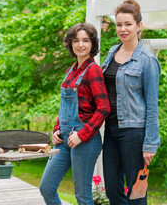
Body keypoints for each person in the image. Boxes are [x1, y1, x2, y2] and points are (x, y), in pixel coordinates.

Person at [39, 23, 110, 205]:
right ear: (70, 44)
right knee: (46, 188)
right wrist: (56, 129)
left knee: (82, 196)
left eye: (85, 40)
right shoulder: (70, 71)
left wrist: (82, 135)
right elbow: (65, 105)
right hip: (63, 138)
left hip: (84, 139)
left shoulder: (93, 70)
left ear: (92, 44)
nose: (80, 45)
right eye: (76, 40)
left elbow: (103, 108)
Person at [101, 0, 161, 205]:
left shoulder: (147, 61)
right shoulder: (111, 52)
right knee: (111, 187)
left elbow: (152, 105)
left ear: (139, 26)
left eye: (128, 24)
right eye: (119, 24)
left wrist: (150, 143)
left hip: (134, 133)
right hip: (111, 129)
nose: (123, 29)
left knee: (136, 192)